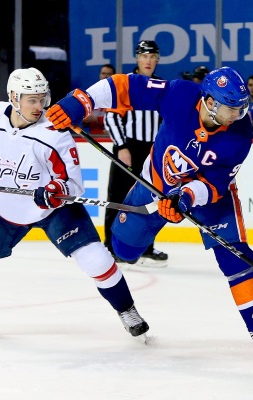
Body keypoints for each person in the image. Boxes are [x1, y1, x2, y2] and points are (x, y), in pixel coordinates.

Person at [45, 66, 253, 363]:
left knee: (234, 255)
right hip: (154, 185)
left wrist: (185, 197)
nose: (238, 114)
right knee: (124, 249)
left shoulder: (239, 132)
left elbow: (215, 184)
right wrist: (82, 101)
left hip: (210, 197)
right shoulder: (181, 95)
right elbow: (126, 86)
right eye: (231, 108)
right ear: (209, 102)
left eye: (241, 107)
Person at [0, 67, 149, 339]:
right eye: (32, 100)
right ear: (14, 97)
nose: (40, 106)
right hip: (7, 207)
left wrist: (56, 189)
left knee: (96, 260)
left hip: (53, 209)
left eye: (43, 98)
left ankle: (127, 310)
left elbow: (72, 183)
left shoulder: (54, 132)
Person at [103, 40, 168, 266]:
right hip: (127, 148)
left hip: (152, 151)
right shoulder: (128, 84)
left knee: (149, 200)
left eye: (153, 56)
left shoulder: (164, 87)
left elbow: (169, 121)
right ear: (137, 59)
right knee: (119, 198)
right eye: (144, 56)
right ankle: (110, 248)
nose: (149, 61)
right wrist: (121, 147)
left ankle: (145, 248)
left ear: (157, 59)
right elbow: (111, 117)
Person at [82, 64, 115, 135]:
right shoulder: (92, 94)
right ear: (100, 75)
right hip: (94, 138)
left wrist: (97, 119)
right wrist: (85, 120)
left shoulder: (118, 95)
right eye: (103, 73)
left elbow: (120, 118)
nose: (105, 76)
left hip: (111, 137)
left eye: (109, 74)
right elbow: (84, 124)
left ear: (114, 76)